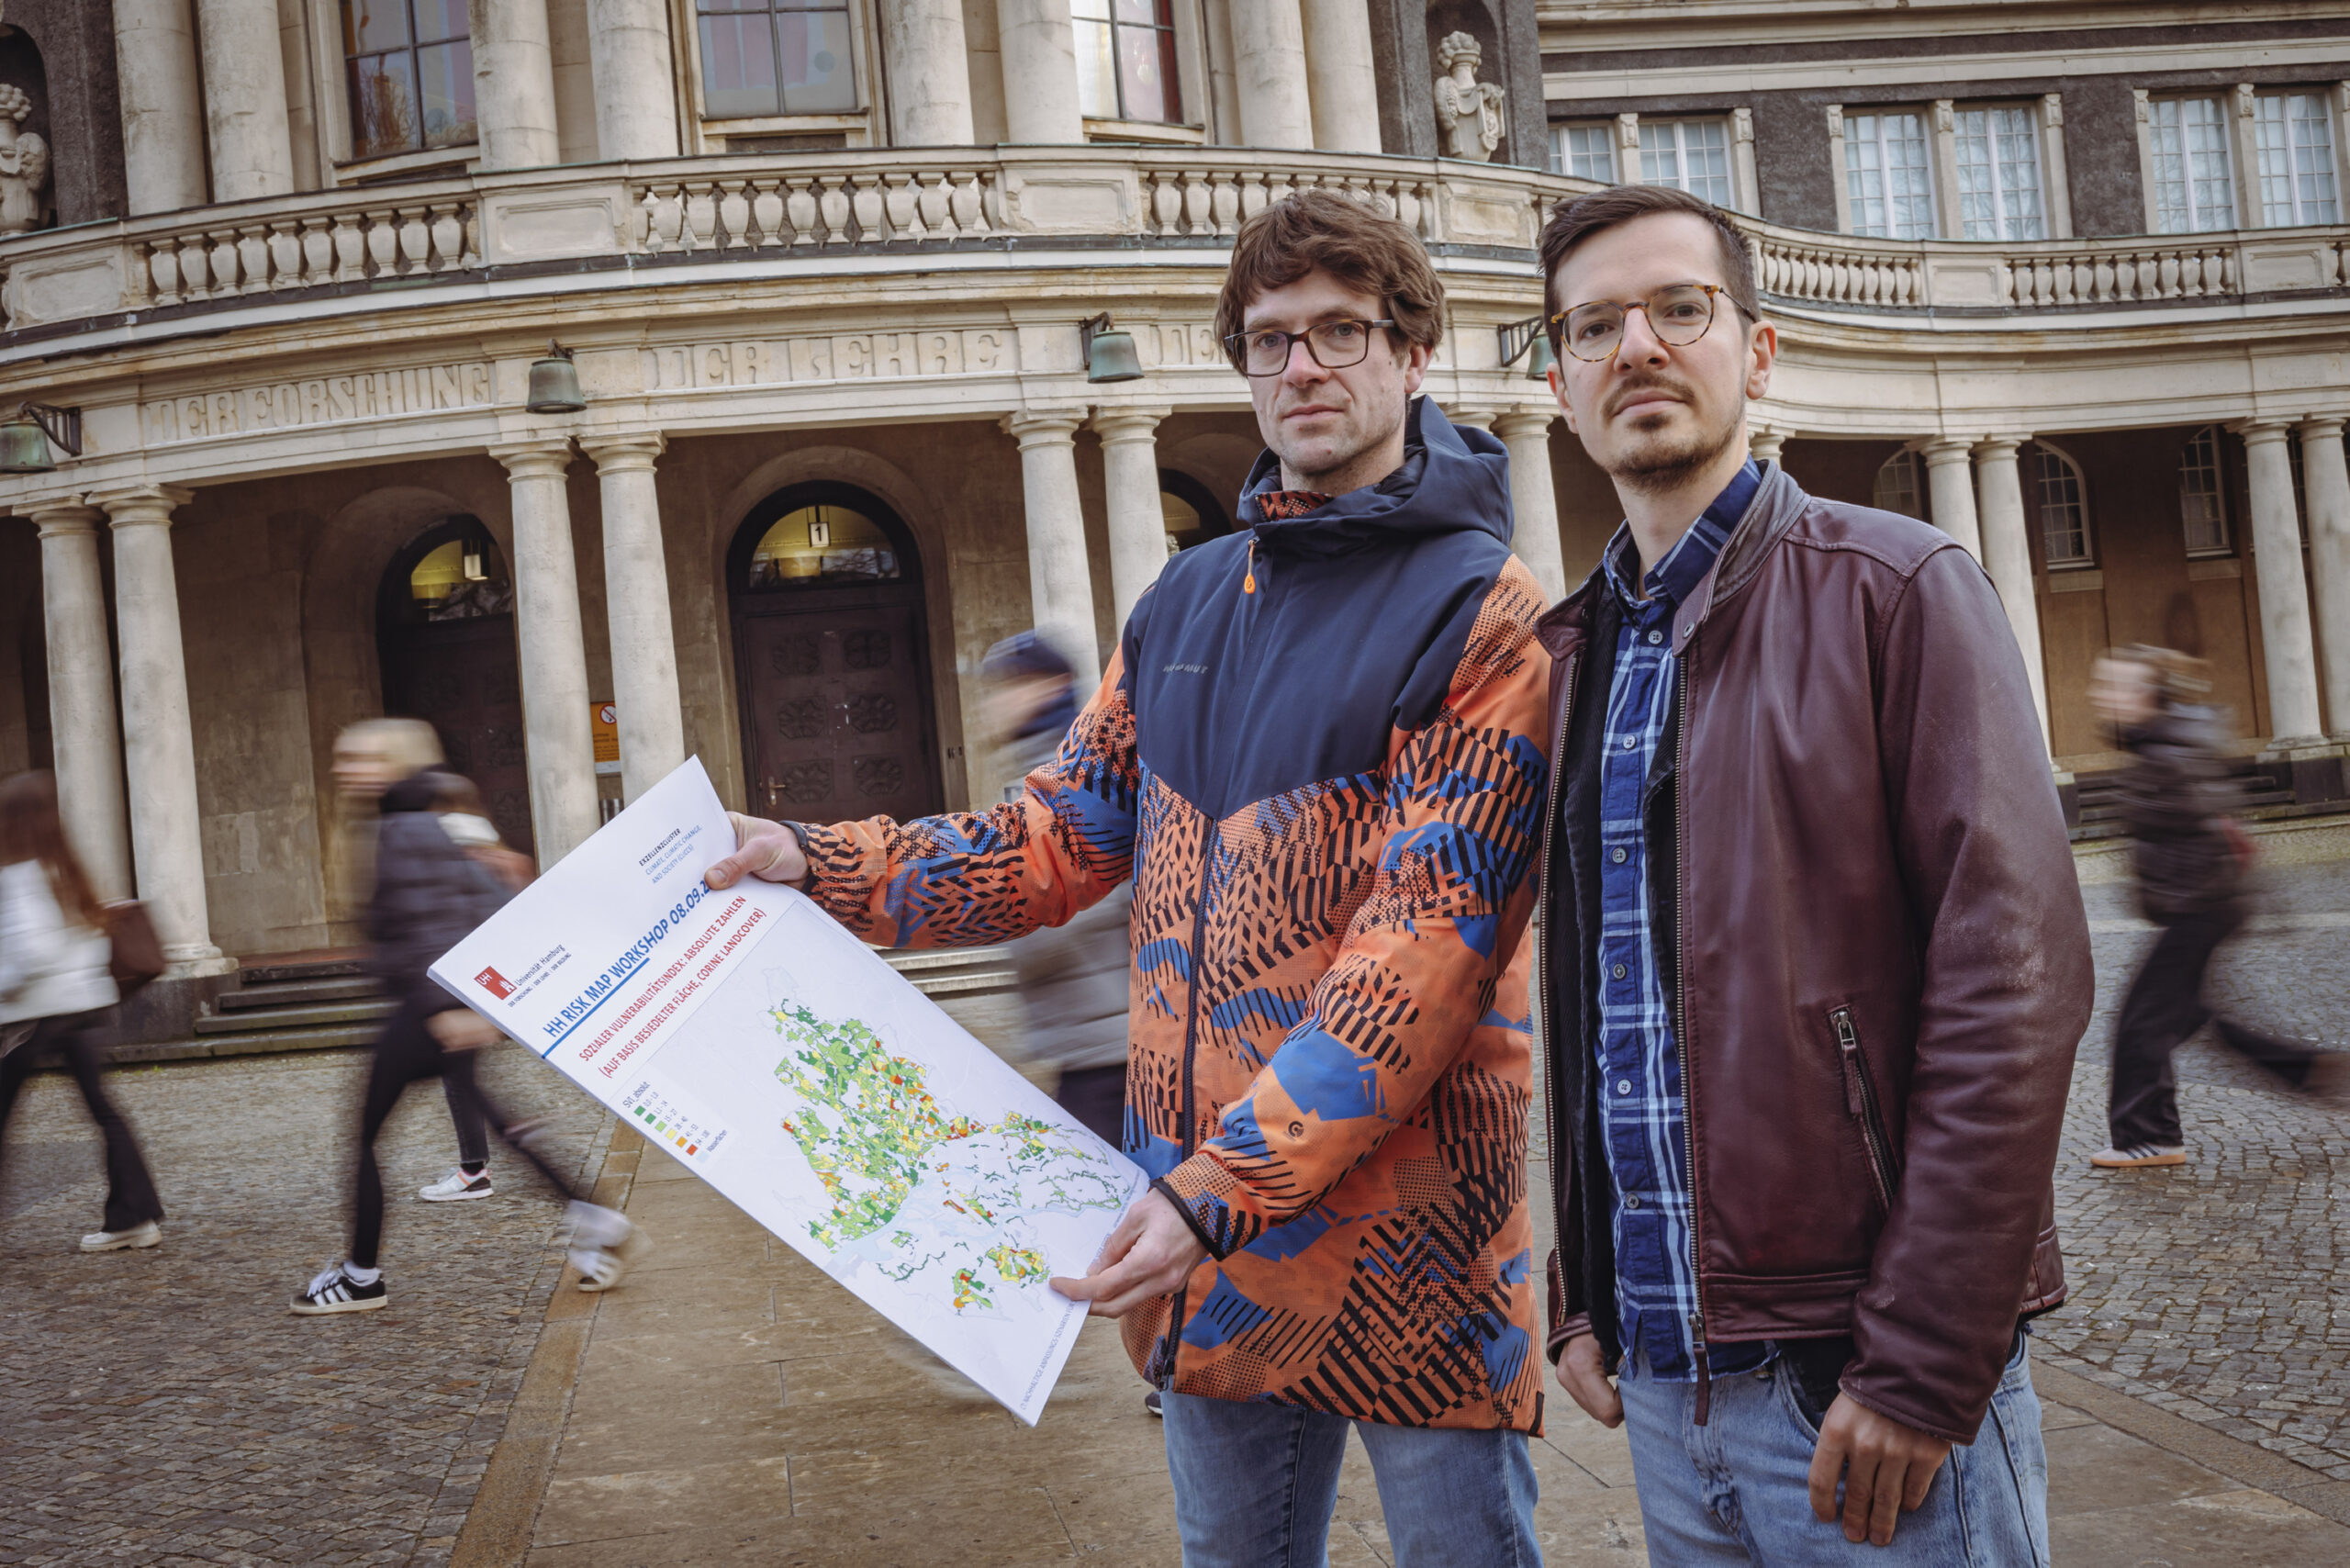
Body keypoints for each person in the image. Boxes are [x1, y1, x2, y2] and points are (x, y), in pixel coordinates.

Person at [707, 189, 1554, 1563]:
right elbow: (1048, 845)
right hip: (1209, 1249)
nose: (1304, 367)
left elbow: (1421, 969)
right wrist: (812, 859)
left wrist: (1204, 1193)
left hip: (1408, 1245)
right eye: (1272, 339)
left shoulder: (1488, 610)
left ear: (1414, 354)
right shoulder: (1185, 602)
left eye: (1343, 331)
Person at [1531, 183, 2090, 1562]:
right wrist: (1584, 1287)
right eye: (1594, 325)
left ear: (1758, 350)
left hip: (1862, 1386)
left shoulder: (1897, 589)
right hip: (1667, 1393)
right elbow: (1603, 1008)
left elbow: (2017, 991)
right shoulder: (1572, 653)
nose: (1638, 348)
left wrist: (1924, 1359)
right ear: (1558, 382)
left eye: (1679, 309)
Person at [291, 720, 644, 1315]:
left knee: (364, 1139)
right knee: (497, 1120)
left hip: (425, 1007)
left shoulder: (401, 828)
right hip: (444, 1004)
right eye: (342, 757)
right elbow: (490, 905)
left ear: (395, 763)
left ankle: (360, 1276)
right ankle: (596, 1218)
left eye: (360, 758)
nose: (343, 769)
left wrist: (456, 1006)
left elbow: (432, 925)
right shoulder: (423, 819)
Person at [2087, 645, 2344, 1170]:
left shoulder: (2164, 755)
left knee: (2141, 1025)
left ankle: (2150, 1136)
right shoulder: (2164, 743)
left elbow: (2210, 825)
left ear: (2144, 695)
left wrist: (2188, 902)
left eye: (2113, 686)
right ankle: (2315, 1070)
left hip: (2199, 910)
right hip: (2204, 908)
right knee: (2202, 1021)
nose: (2100, 695)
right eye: (2101, 684)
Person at [0, 770, 167, 1253]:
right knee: (105, 1110)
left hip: (36, 1013)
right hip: (84, 1006)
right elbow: (93, 936)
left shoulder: (19, 875)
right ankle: (133, 1216)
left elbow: (28, 953)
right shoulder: (65, 866)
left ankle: (131, 1217)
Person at [979, 631, 1134, 1149]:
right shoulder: (1040, 769)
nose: (995, 703)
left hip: (1112, 1040)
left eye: (1009, 686)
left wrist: (999, 912)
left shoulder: (1069, 773)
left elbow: (1075, 894)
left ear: (1052, 687)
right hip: (1090, 1037)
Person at [415, 774, 535, 1203]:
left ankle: (476, 1169)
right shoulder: (494, 847)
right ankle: (482, 1162)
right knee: (463, 1075)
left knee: (460, 1076)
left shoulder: (456, 847)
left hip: (466, 980)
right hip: (488, 977)